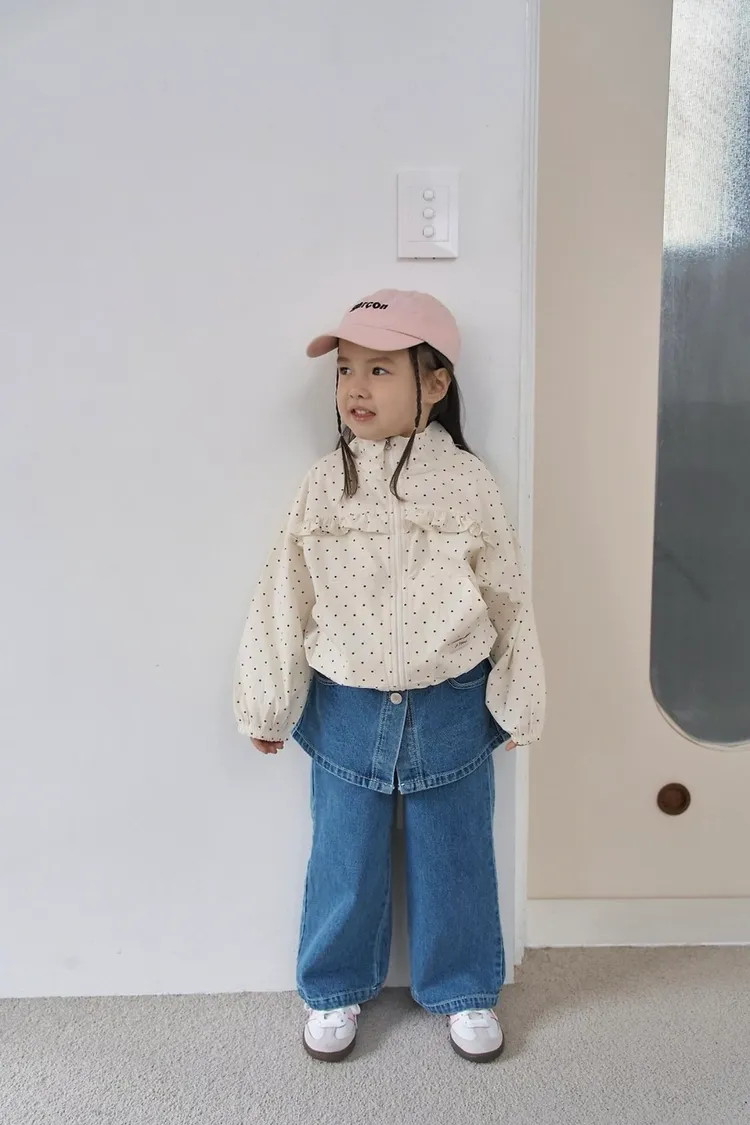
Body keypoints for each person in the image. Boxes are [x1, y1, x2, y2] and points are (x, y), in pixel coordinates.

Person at [233, 289, 545, 1063]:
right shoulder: (323, 483)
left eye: (379, 369)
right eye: (346, 370)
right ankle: (334, 984)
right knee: (344, 857)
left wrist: (519, 700)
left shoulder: (466, 481)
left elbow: (507, 590)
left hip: (451, 702)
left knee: (454, 856)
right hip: (346, 704)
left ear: (434, 383)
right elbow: (284, 594)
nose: (356, 388)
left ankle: (465, 987)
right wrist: (269, 704)